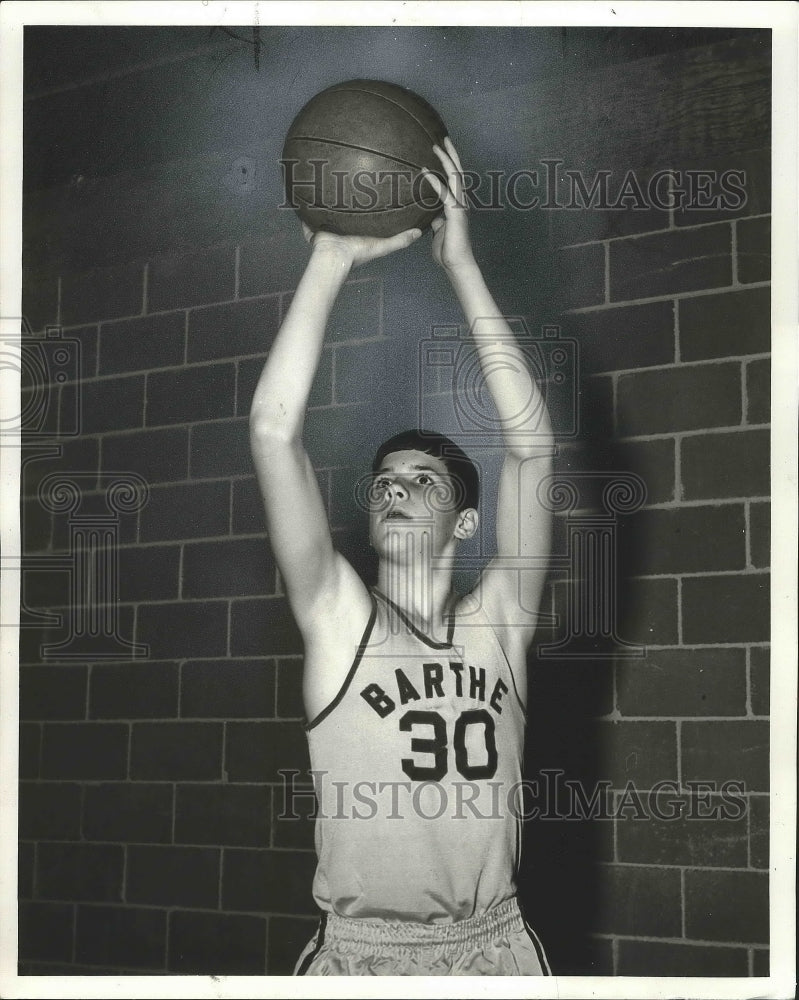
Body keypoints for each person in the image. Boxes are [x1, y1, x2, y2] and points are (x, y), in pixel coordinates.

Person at [250, 138, 554, 976]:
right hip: (367, 956)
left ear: (464, 523)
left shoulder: (498, 622)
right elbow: (274, 434)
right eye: (384, 481)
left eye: (421, 481)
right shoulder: (338, 617)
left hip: (493, 945)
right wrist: (329, 260)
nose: (394, 489)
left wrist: (460, 266)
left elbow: (532, 452)